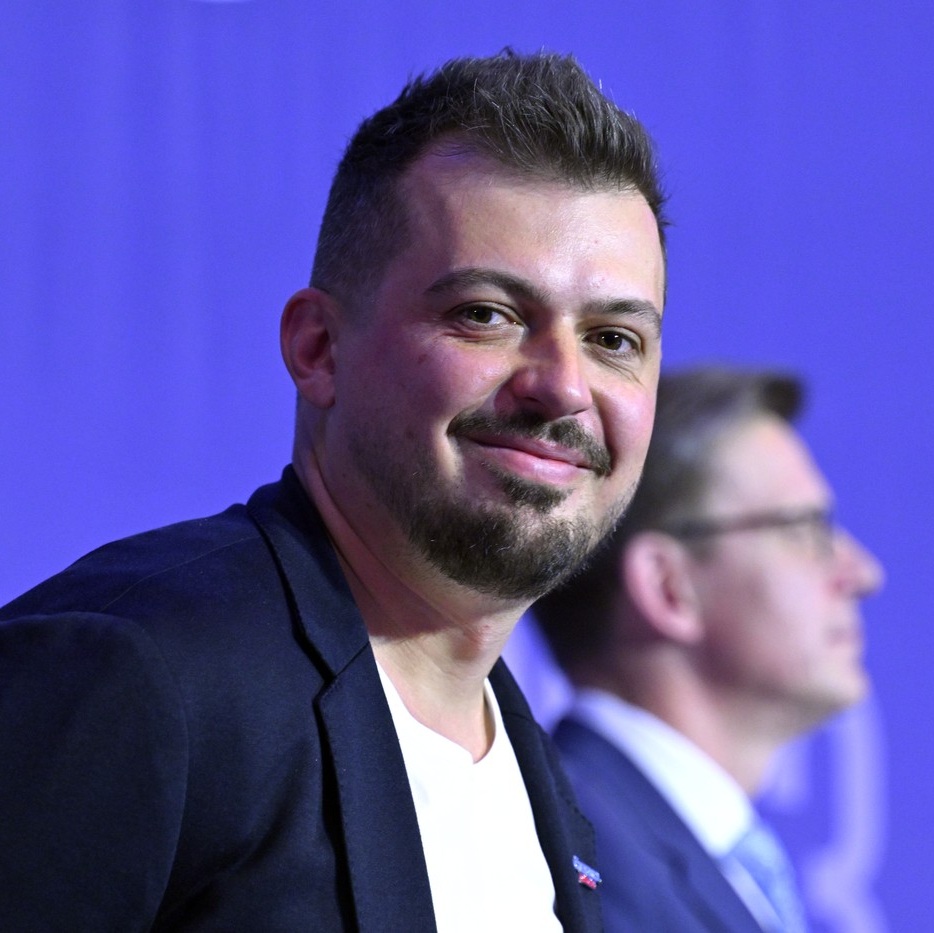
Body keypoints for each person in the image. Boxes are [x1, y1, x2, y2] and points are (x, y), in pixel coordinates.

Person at [0, 50, 667, 930]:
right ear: (318, 349)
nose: (564, 387)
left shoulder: (536, 777)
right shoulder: (135, 676)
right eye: (487, 314)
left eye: (614, 338)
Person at [533, 367, 884, 932]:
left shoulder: (697, 852)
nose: (863, 574)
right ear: (669, 586)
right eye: (807, 529)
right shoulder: (570, 855)